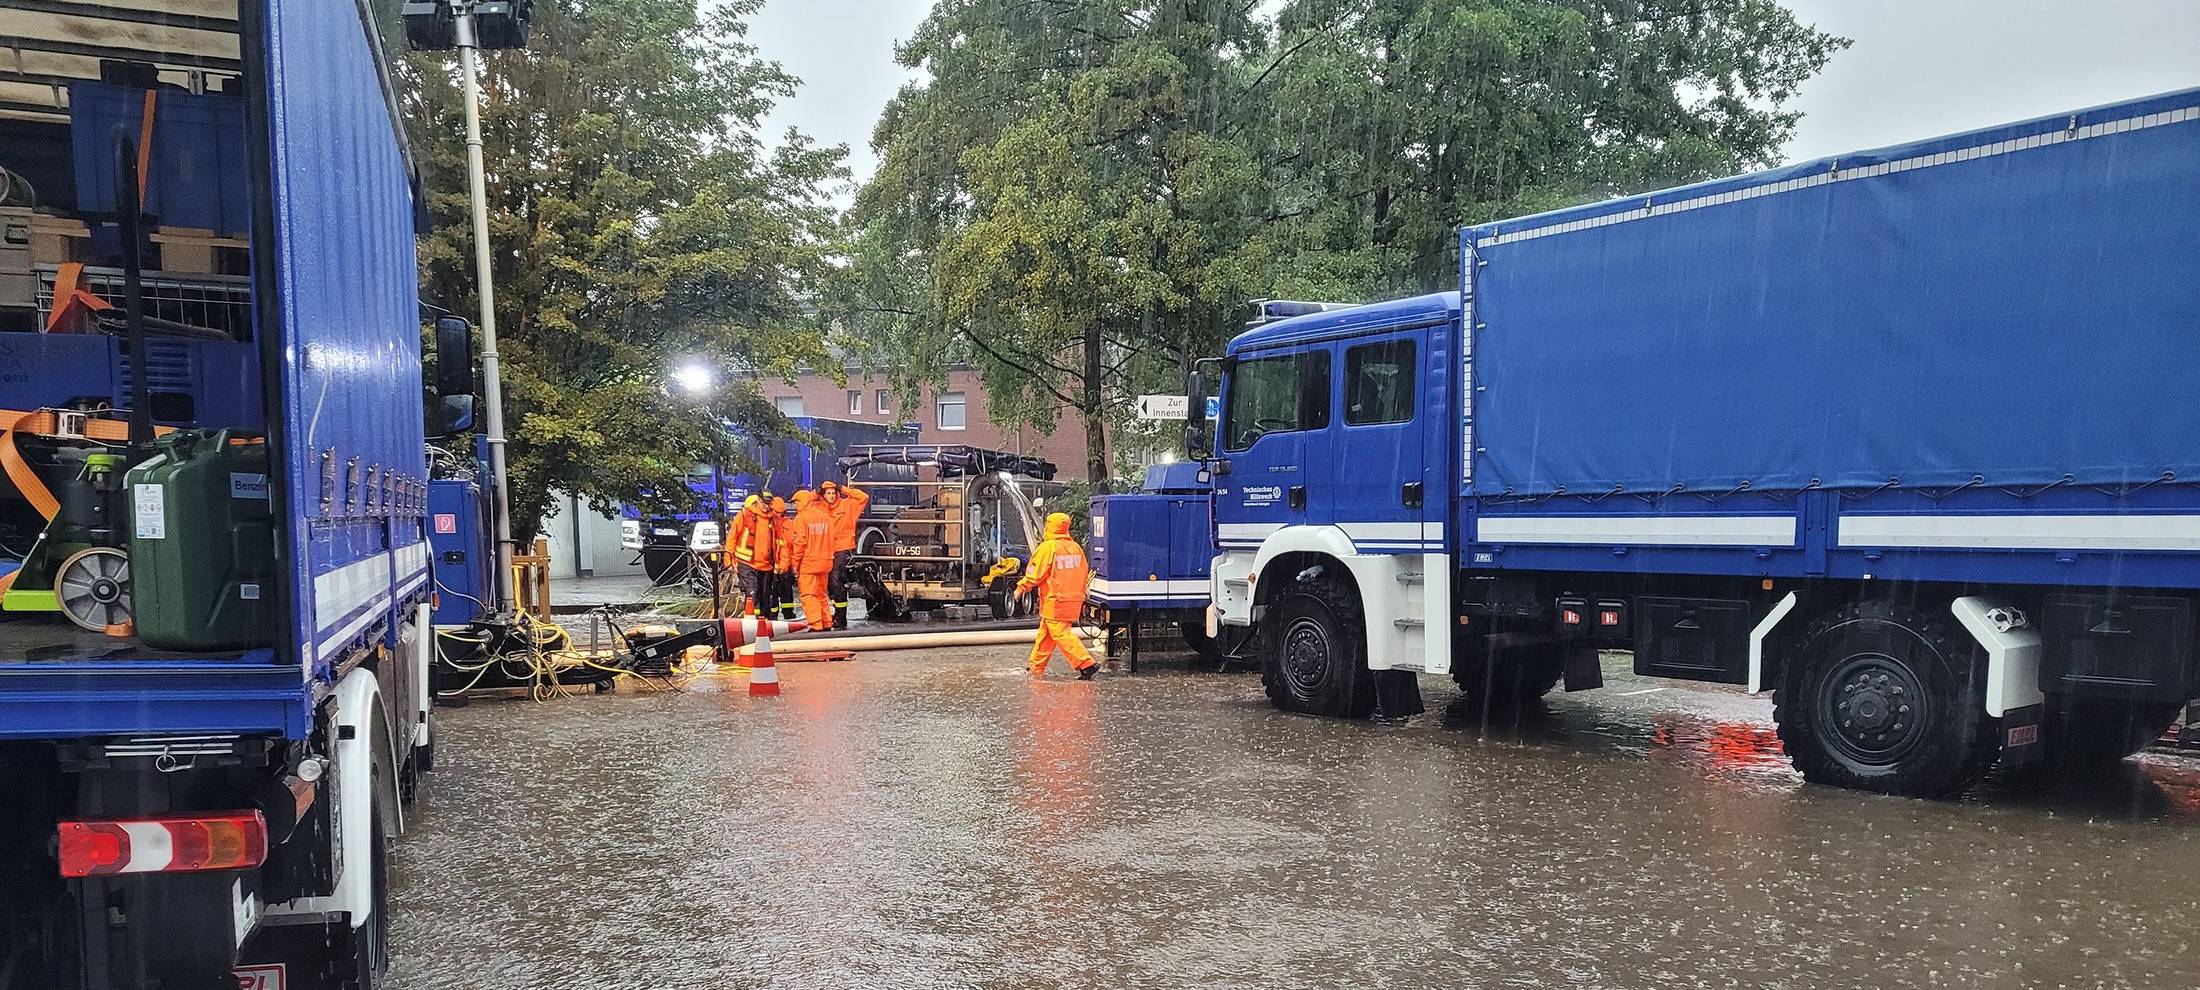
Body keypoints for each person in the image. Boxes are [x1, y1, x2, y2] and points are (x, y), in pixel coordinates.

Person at [1015, 512, 1097, 679]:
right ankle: (1036, 667)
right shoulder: (1076, 548)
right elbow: (1084, 572)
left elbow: (1035, 573)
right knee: (1047, 633)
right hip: (1074, 598)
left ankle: (1086, 663)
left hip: (1055, 599)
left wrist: (1021, 588)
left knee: (1060, 633)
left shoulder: (1048, 547)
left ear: (1049, 526)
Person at [818, 479, 870, 627]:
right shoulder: (820, 507)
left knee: (836, 581)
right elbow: (803, 504)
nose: (831, 496)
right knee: (828, 584)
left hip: (842, 548)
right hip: (825, 549)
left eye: (834, 492)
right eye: (828, 493)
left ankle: (841, 618)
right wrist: (815, 493)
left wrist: (844, 489)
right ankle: (835, 615)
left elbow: (863, 497)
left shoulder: (848, 505)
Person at [788, 488, 837, 632]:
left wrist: (794, 564)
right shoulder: (825, 517)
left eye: (795, 503)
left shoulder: (801, 518)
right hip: (826, 562)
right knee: (821, 594)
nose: (795, 506)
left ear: (801, 502)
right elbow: (833, 539)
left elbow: (800, 542)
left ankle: (816, 625)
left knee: (809, 595)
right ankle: (827, 622)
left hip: (809, 564)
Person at [723, 494, 778, 617]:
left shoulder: (772, 518)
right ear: (757, 501)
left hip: (766, 565)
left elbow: (778, 541)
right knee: (752, 595)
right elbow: (732, 538)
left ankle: (764, 623)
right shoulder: (744, 515)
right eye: (763, 503)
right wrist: (728, 561)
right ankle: (753, 621)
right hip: (747, 562)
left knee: (765, 598)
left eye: (768, 503)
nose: (765, 506)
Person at [769, 494, 799, 623]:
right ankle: (772, 616)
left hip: (784, 566)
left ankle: (788, 614)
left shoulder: (788, 525)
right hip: (771, 565)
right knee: (772, 593)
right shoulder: (767, 524)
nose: (778, 515)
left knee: (786, 593)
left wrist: (791, 566)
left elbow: (790, 547)